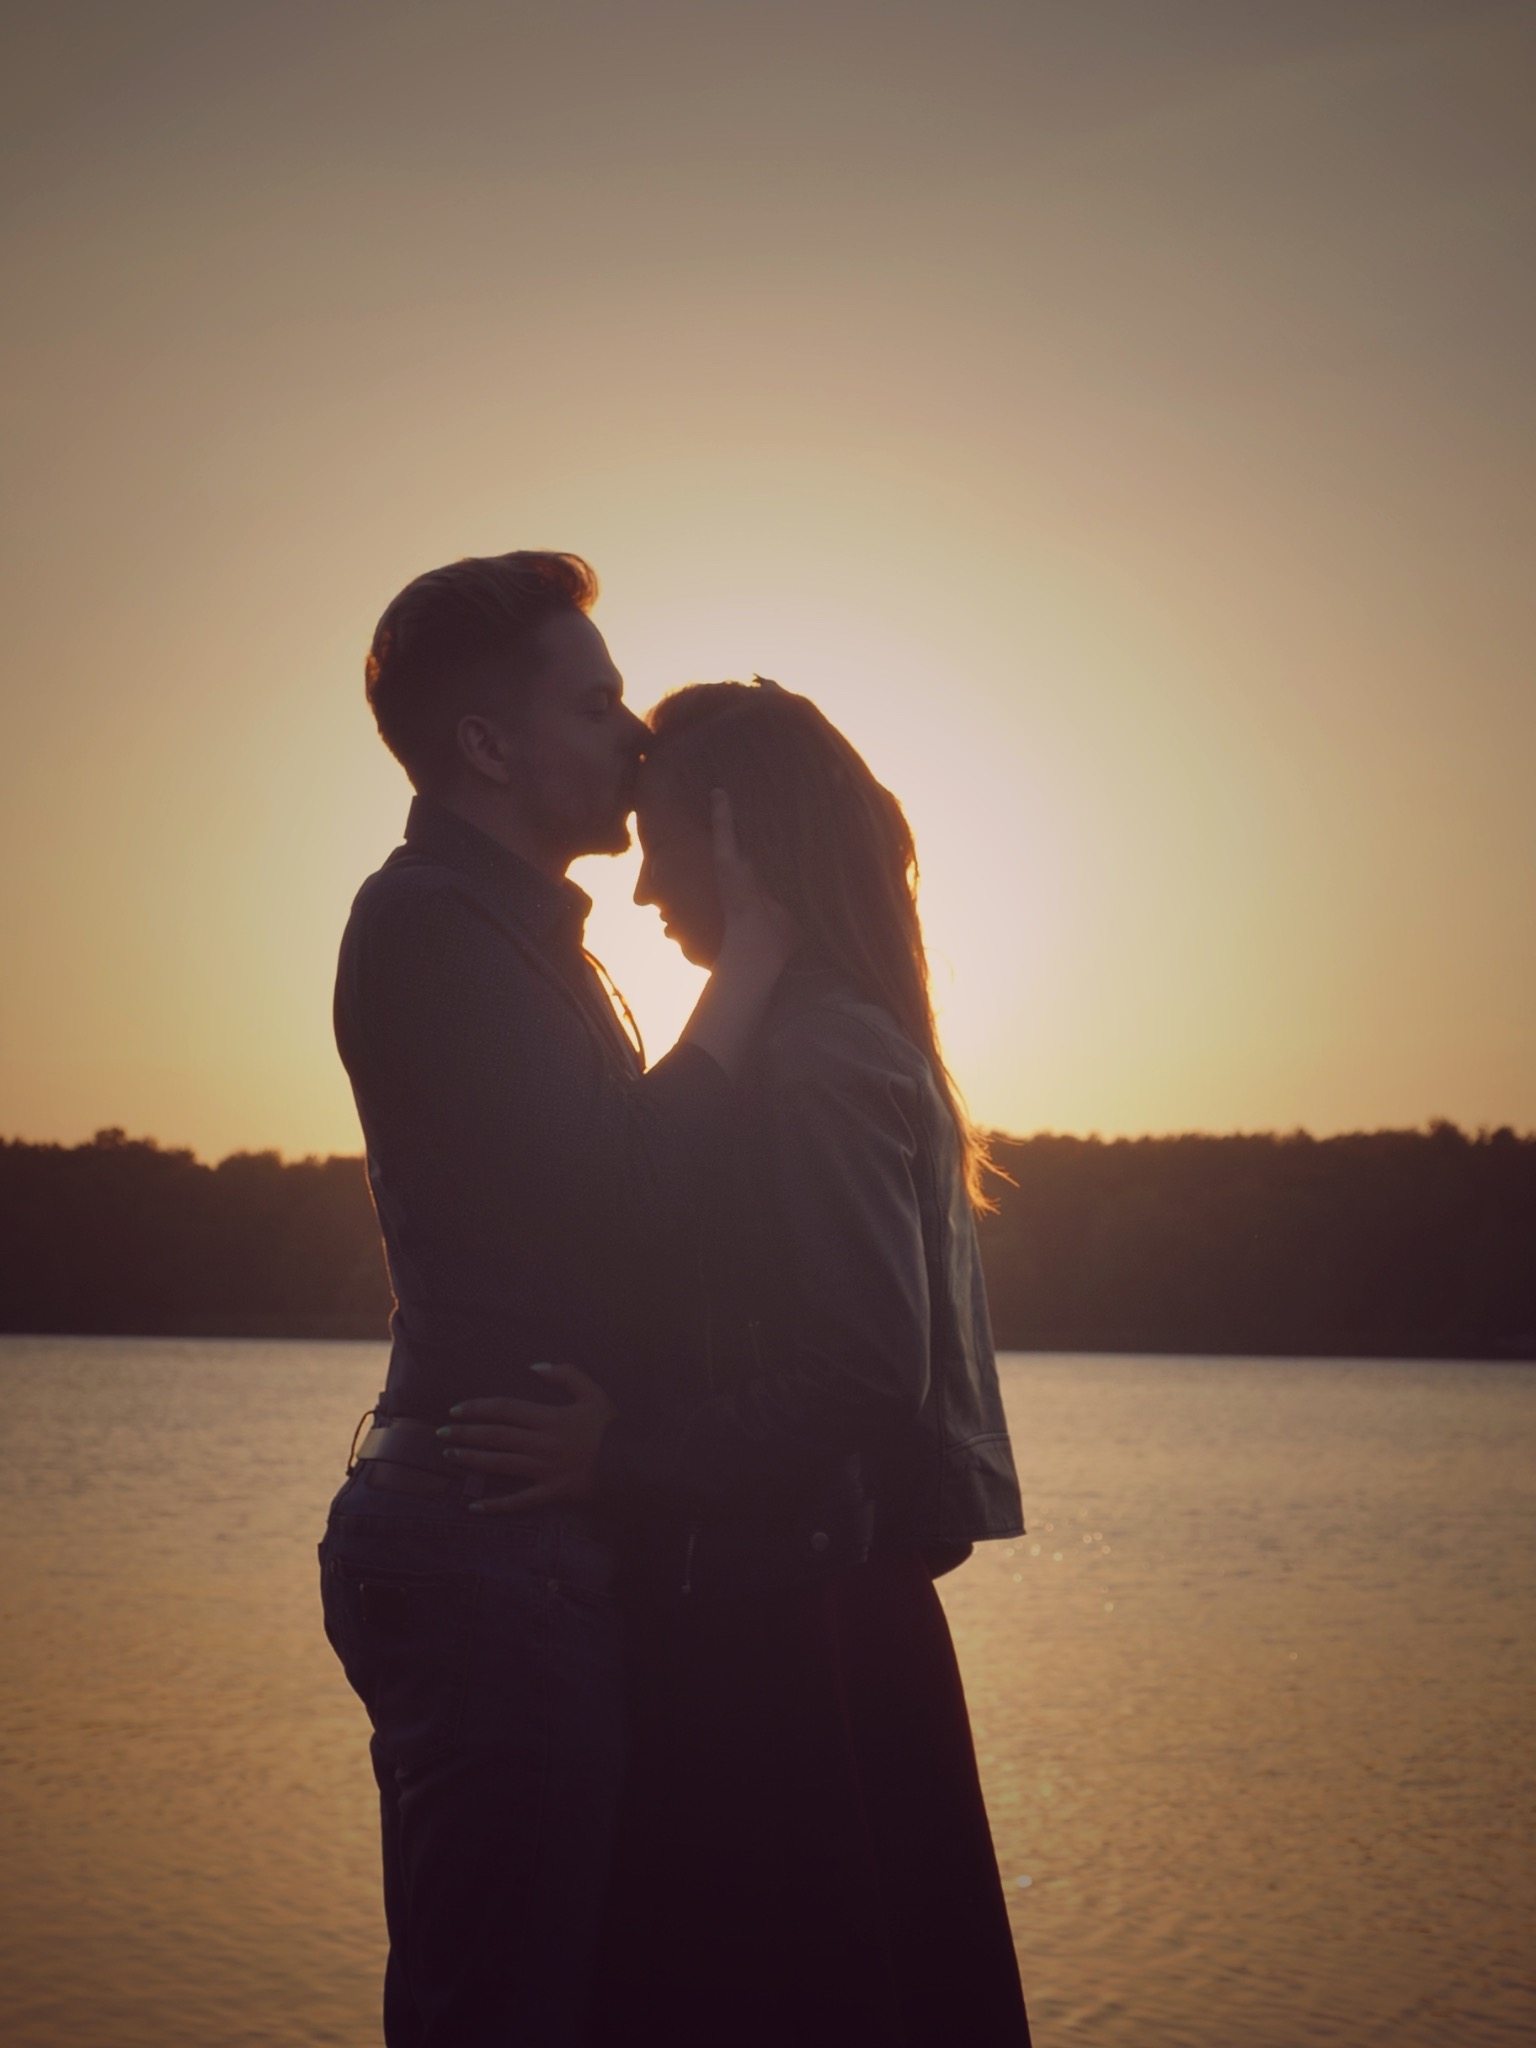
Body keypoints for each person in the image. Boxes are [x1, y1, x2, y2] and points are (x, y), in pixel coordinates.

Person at [442, 679, 1032, 2046]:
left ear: (744, 839)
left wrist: (620, 1458)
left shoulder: (817, 1053)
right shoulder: (811, 1031)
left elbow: (863, 1370)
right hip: (797, 1601)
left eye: (663, 842)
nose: (645, 886)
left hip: (794, 1632)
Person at [317, 556, 792, 2048]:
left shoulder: (518, 937)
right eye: (595, 705)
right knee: (500, 2015)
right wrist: (756, 964)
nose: (634, 733)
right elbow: (627, 1196)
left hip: (505, 1538)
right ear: (486, 745)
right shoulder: (427, 927)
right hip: (484, 1545)